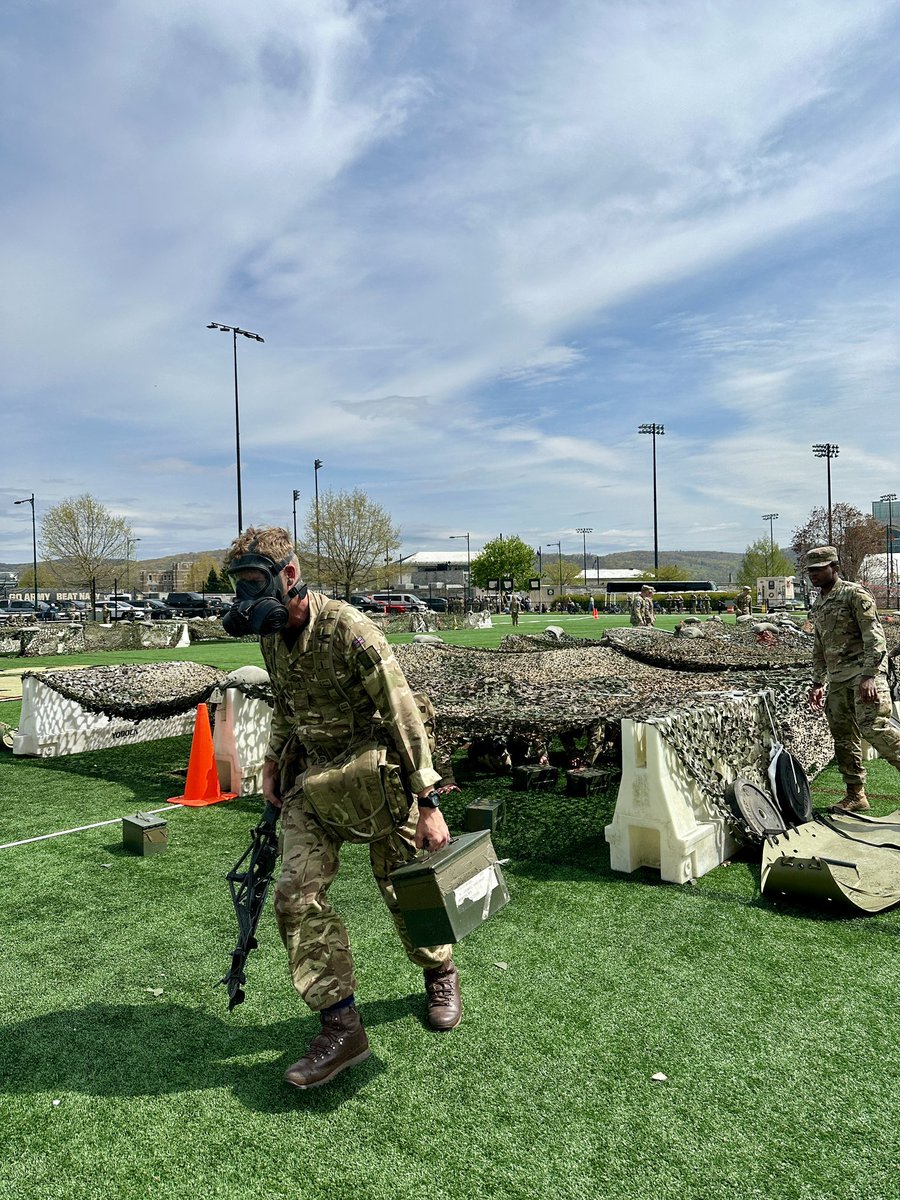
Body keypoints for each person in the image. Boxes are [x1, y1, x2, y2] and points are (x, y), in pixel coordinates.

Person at [222, 527, 462, 1090]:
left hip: (377, 775)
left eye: (254, 582)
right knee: (294, 895)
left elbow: (403, 711)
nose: (246, 597)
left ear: (289, 574)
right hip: (314, 777)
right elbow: (284, 703)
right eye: (240, 585)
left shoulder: (349, 629)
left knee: (406, 891)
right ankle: (341, 1024)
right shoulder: (271, 638)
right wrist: (275, 760)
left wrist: (428, 801)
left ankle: (440, 970)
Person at [805, 545, 900, 813]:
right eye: (810, 570)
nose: (813, 574)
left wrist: (869, 675)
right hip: (838, 680)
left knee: (874, 728)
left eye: (819, 569)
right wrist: (816, 682)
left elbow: (875, 637)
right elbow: (819, 646)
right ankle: (856, 794)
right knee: (843, 736)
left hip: (864, 676)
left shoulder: (854, 594)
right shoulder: (820, 603)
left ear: (834, 567)